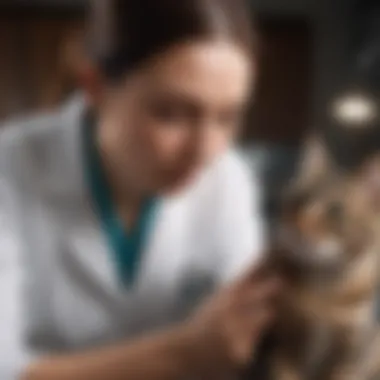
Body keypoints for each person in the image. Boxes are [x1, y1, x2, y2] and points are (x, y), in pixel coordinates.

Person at [0, 1, 279, 379]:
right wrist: (186, 353)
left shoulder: (228, 178)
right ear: (96, 86)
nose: (206, 152)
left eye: (228, 117)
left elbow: (253, 335)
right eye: (172, 113)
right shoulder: (11, 169)